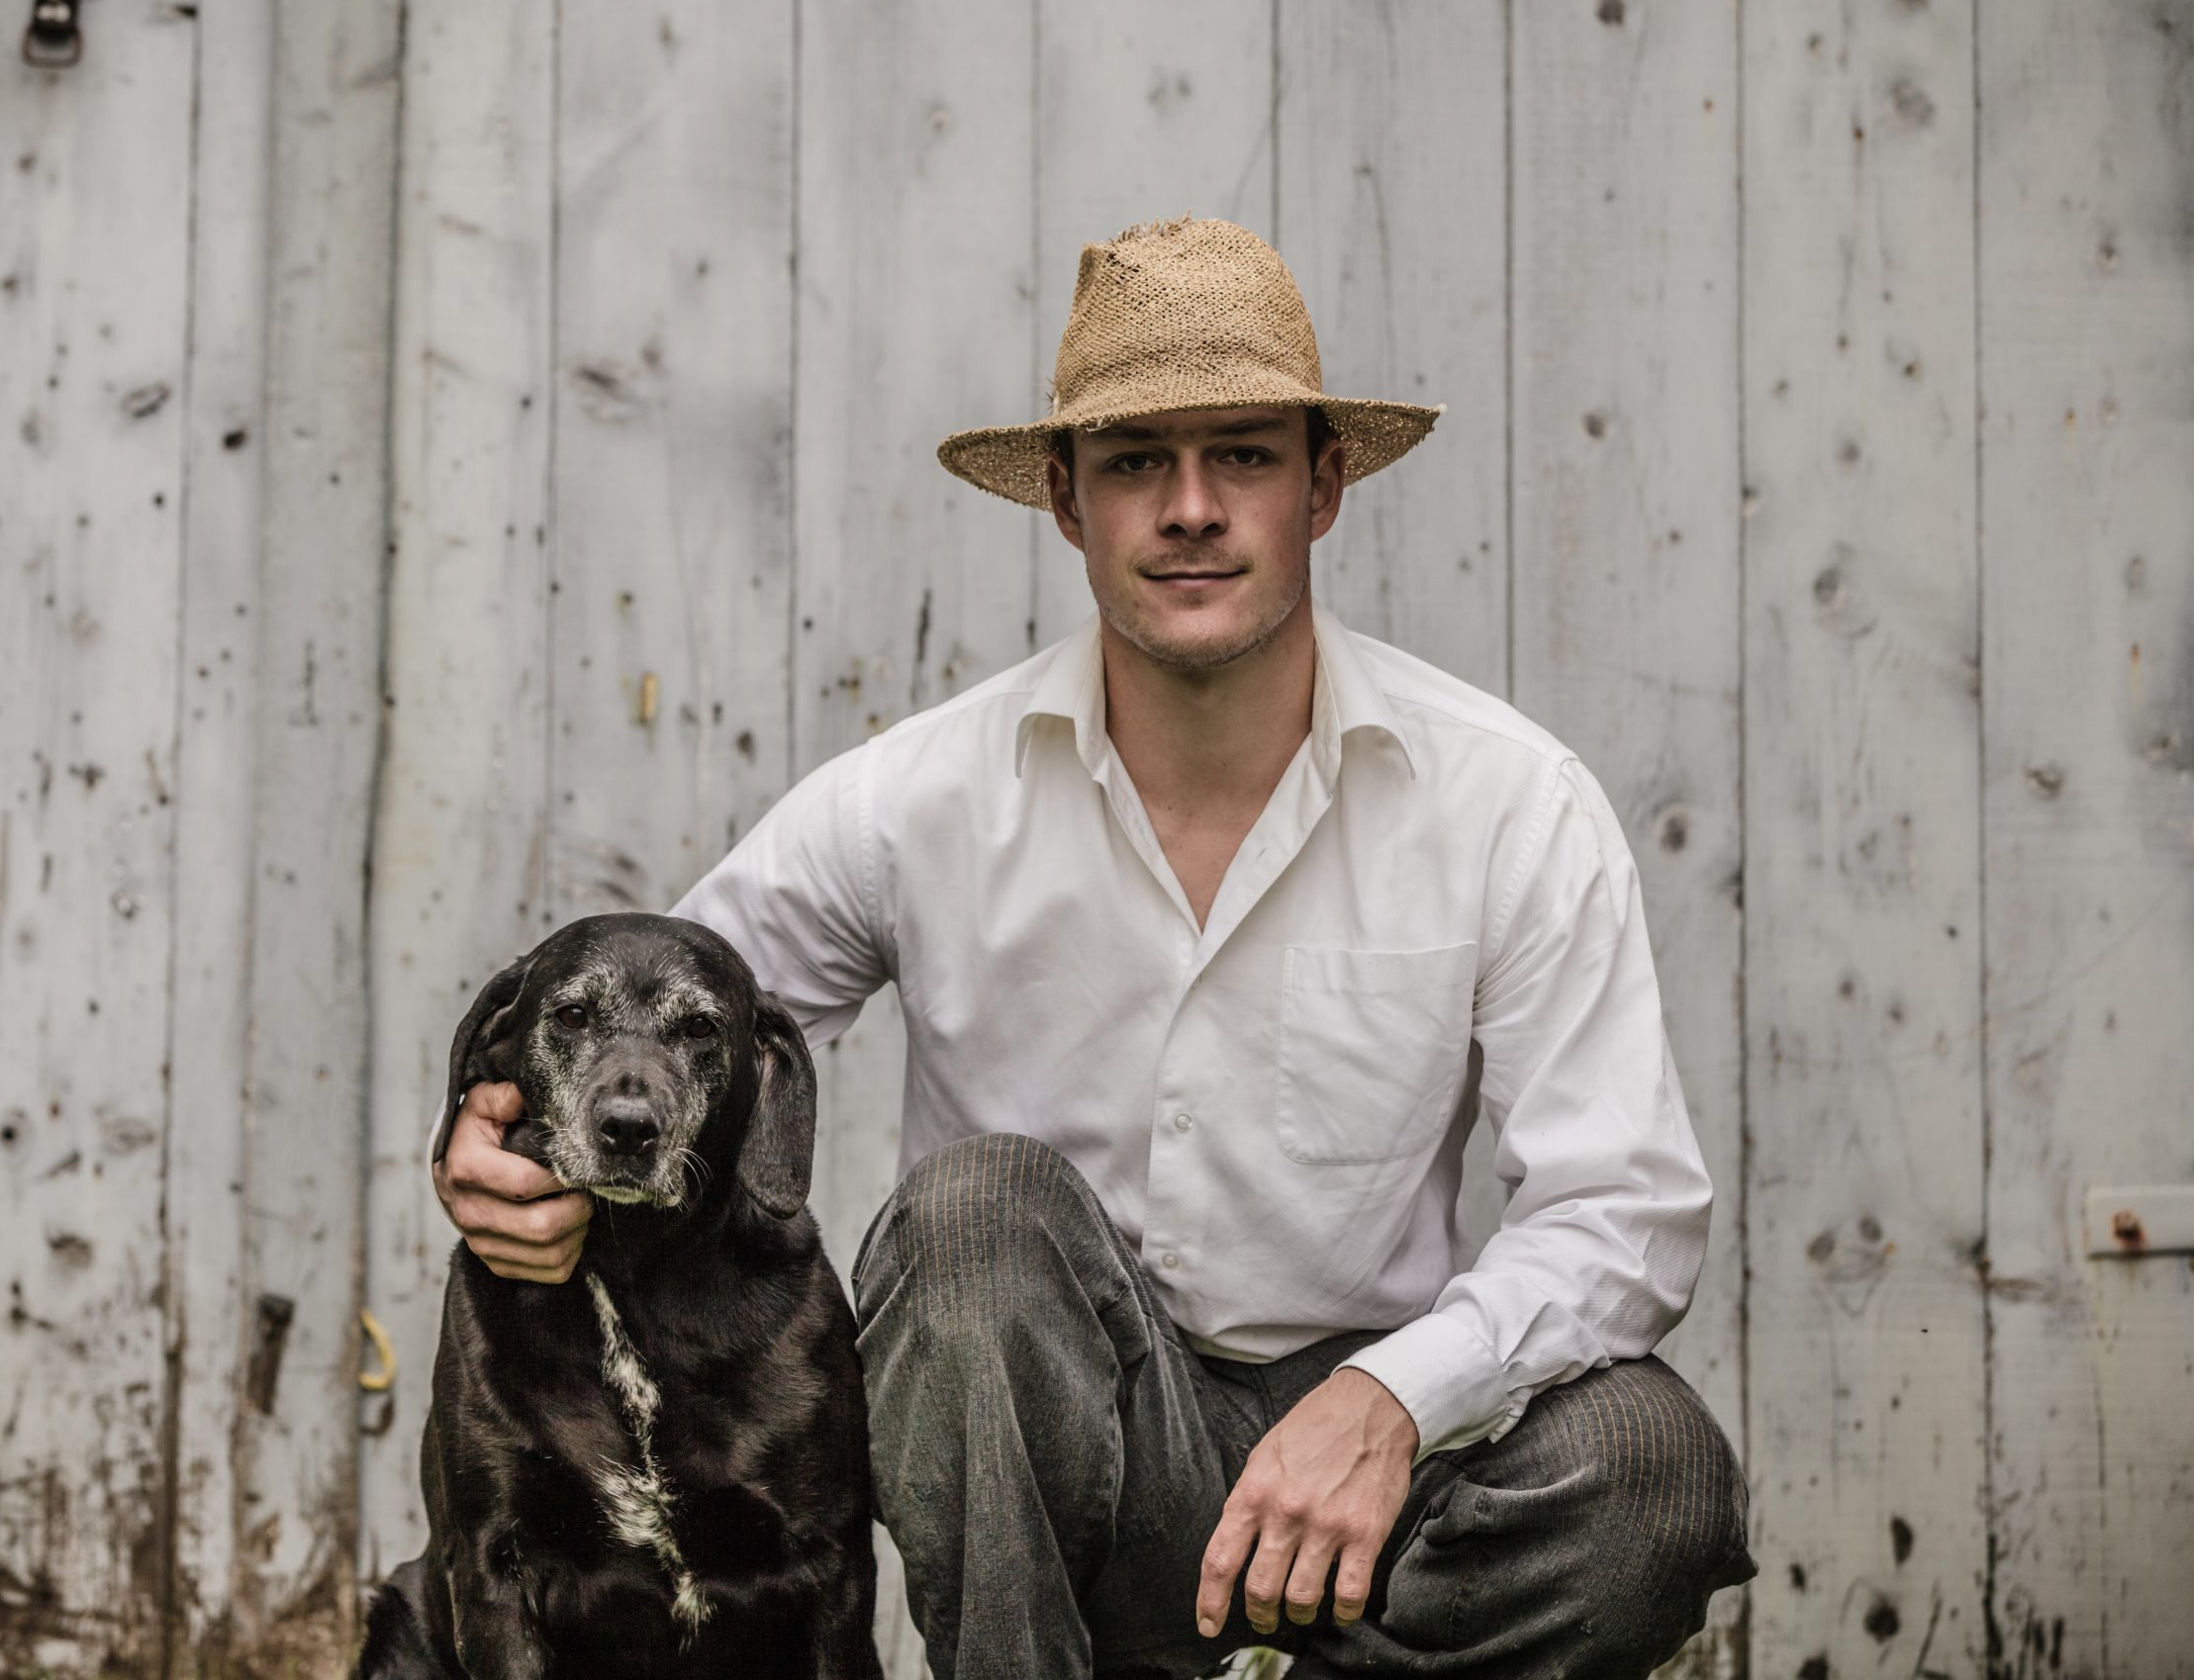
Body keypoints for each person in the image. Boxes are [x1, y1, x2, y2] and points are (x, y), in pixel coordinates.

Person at [429, 216, 1756, 1678]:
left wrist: (1395, 1396)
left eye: (1242, 453)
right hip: (1063, 1477)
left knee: (1654, 1471)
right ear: (1065, 501)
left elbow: (1624, 1208)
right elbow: (655, 1008)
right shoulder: (916, 799)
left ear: (1324, 487)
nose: (1191, 507)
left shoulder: (1507, 801)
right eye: (1136, 462)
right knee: (975, 1220)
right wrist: (494, 1150)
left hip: (1379, 1472)